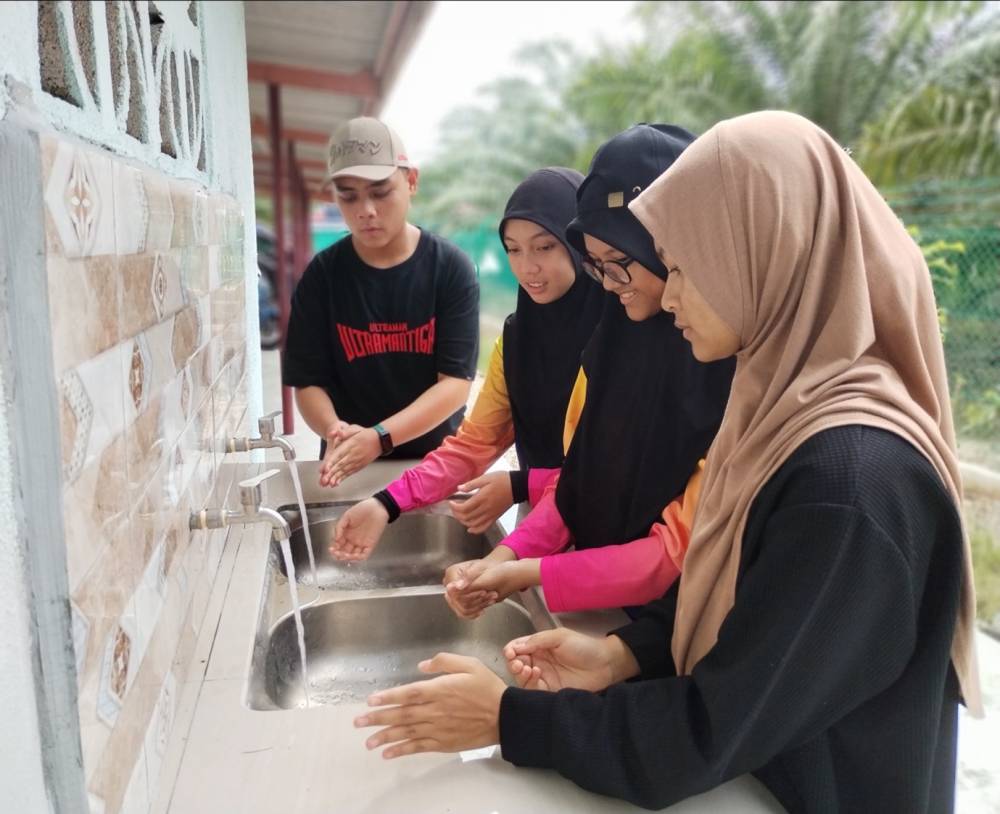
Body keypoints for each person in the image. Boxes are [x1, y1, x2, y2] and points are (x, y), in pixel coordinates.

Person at [353, 111, 982, 813]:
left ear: (765, 250)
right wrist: (630, 652)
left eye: (681, 265)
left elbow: (709, 728)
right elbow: (759, 613)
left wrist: (507, 719)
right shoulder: (783, 412)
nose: (665, 293)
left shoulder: (852, 483)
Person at [442, 124, 734, 618]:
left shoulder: (728, 367)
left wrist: (527, 573)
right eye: (595, 264)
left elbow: (676, 550)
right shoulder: (613, 341)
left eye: (620, 261)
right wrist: (504, 557)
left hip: (687, 625)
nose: (608, 283)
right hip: (614, 612)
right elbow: (580, 485)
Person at [329, 168, 604, 560]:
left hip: (615, 541)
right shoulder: (517, 340)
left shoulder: (619, 339)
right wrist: (385, 503)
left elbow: (615, 470)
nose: (527, 268)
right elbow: (473, 446)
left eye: (545, 247)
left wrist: (519, 485)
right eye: (513, 249)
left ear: (580, 246)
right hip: (541, 537)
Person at [282, 117, 479, 487]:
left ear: (411, 181)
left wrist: (380, 437)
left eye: (380, 191)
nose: (365, 210)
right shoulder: (322, 277)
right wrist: (334, 429)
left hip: (433, 466)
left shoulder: (450, 269)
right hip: (349, 466)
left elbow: (455, 384)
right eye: (349, 195)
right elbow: (308, 383)